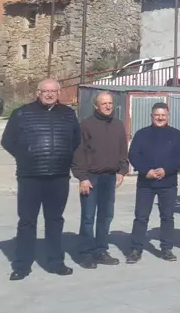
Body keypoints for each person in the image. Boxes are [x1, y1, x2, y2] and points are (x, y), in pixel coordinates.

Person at [1, 78, 81, 281]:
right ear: (38, 92)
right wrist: (27, 155)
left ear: (59, 92)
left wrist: (62, 156)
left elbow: (75, 140)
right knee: (27, 221)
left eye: (53, 90)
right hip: (30, 177)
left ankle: (55, 262)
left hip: (59, 177)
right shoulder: (22, 113)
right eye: (45, 90)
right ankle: (21, 265)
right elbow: (7, 141)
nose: (49, 94)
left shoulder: (68, 114)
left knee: (55, 221)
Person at [72, 91, 129, 269]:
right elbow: (77, 154)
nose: (108, 106)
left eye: (110, 103)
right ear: (96, 106)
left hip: (109, 178)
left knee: (106, 216)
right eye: (104, 103)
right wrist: (82, 178)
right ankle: (86, 253)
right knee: (88, 217)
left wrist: (122, 171)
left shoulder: (118, 125)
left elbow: (122, 151)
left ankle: (101, 250)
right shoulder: (86, 125)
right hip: (91, 178)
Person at [126, 102, 180, 264]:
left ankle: (166, 249)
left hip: (168, 182)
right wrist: (147, 171)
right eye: (157, 115)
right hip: (146, 183)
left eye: (163, 115)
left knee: (167, 217)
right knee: (141, 217)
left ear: (168, 116)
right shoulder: (141, 134)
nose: (160, 117)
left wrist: (166, 170)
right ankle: (135, 249)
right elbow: (134, 155)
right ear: (151, 116)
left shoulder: (176, 134)